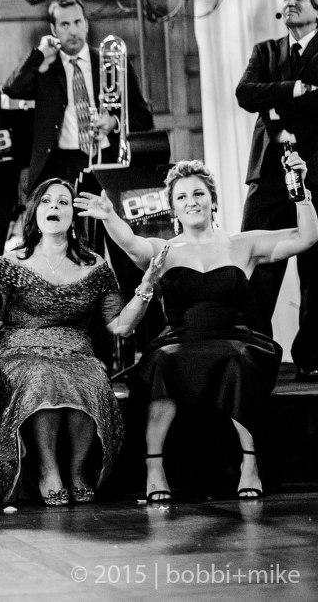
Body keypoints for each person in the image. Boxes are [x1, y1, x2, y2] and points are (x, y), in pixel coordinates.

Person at [77, 158, 317, 501]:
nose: (191, 202)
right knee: (162, 363)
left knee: (237, 361)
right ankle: (154, 467)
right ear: (173, 207)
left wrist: (302, 192)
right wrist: (109, 217)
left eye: (198, 194)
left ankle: (250, 464)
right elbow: (130, 242)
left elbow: (306, 237)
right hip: (180, 338)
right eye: (182, 197)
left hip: (235, 338)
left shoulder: (243, 244)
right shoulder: (163, 250)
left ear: (212, 200)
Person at [0, 177, 163, 506]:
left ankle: (79, 470)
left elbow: (121, 326)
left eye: (62, 202)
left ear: (73, 216)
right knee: (44, 375)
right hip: (17, 351)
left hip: (75, 351)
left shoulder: (95, 265)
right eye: (46, 201)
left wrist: (145, 287)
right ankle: (48, 469)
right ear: (35, 213)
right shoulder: (11, 262)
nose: (53, 206)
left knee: (90, 377)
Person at [236, 0, 318, 381]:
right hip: (268, 176)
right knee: (255, 268)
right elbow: (244, 93)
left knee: (317, 273)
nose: (289, 2)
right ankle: (256, 355)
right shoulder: (265, 50)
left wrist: (271, 106)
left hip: (316, 173)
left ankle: (312, 357)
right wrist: (297, 89)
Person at [3, 0, 154, 189]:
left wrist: (113, 122)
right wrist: (39, 54)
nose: (73, 31)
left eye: (77, 22)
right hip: (60, 164)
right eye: (65, 25)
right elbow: (12, 89)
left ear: (86, 25)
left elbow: (144, 118)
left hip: (107, 159)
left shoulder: (112, 63)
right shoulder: (46, 68)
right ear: (53, 30)